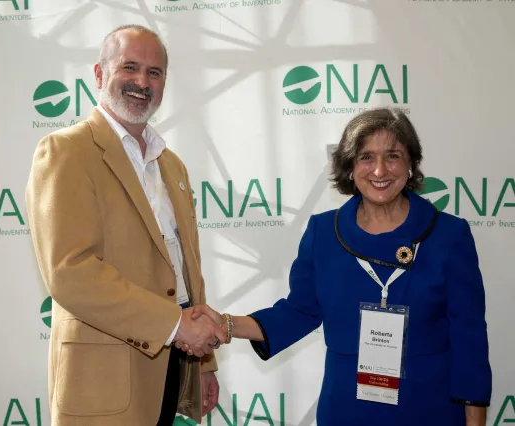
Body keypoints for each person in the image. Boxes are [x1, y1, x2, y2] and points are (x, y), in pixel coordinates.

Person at [178, 108, 492, 426]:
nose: (380, 170)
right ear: (350, 167)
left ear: (410, 164)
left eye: (393, 156)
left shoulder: (450, 235)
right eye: (366, 157)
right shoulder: (323, 233)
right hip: (346, 409)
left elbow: (470, 338)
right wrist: (226, 324)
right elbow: (299, 311)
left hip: (429, 408)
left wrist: (475, 420)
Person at [26, 24, 225, 426]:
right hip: (104, 375)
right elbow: (70, 272)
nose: (142, 81)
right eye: (129, 67)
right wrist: (173, 325)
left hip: (173, 363)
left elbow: (186, 270)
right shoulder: (66, 151)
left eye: (155, 72)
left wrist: (204, 363)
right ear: (100, 74)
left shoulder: (172, 164)